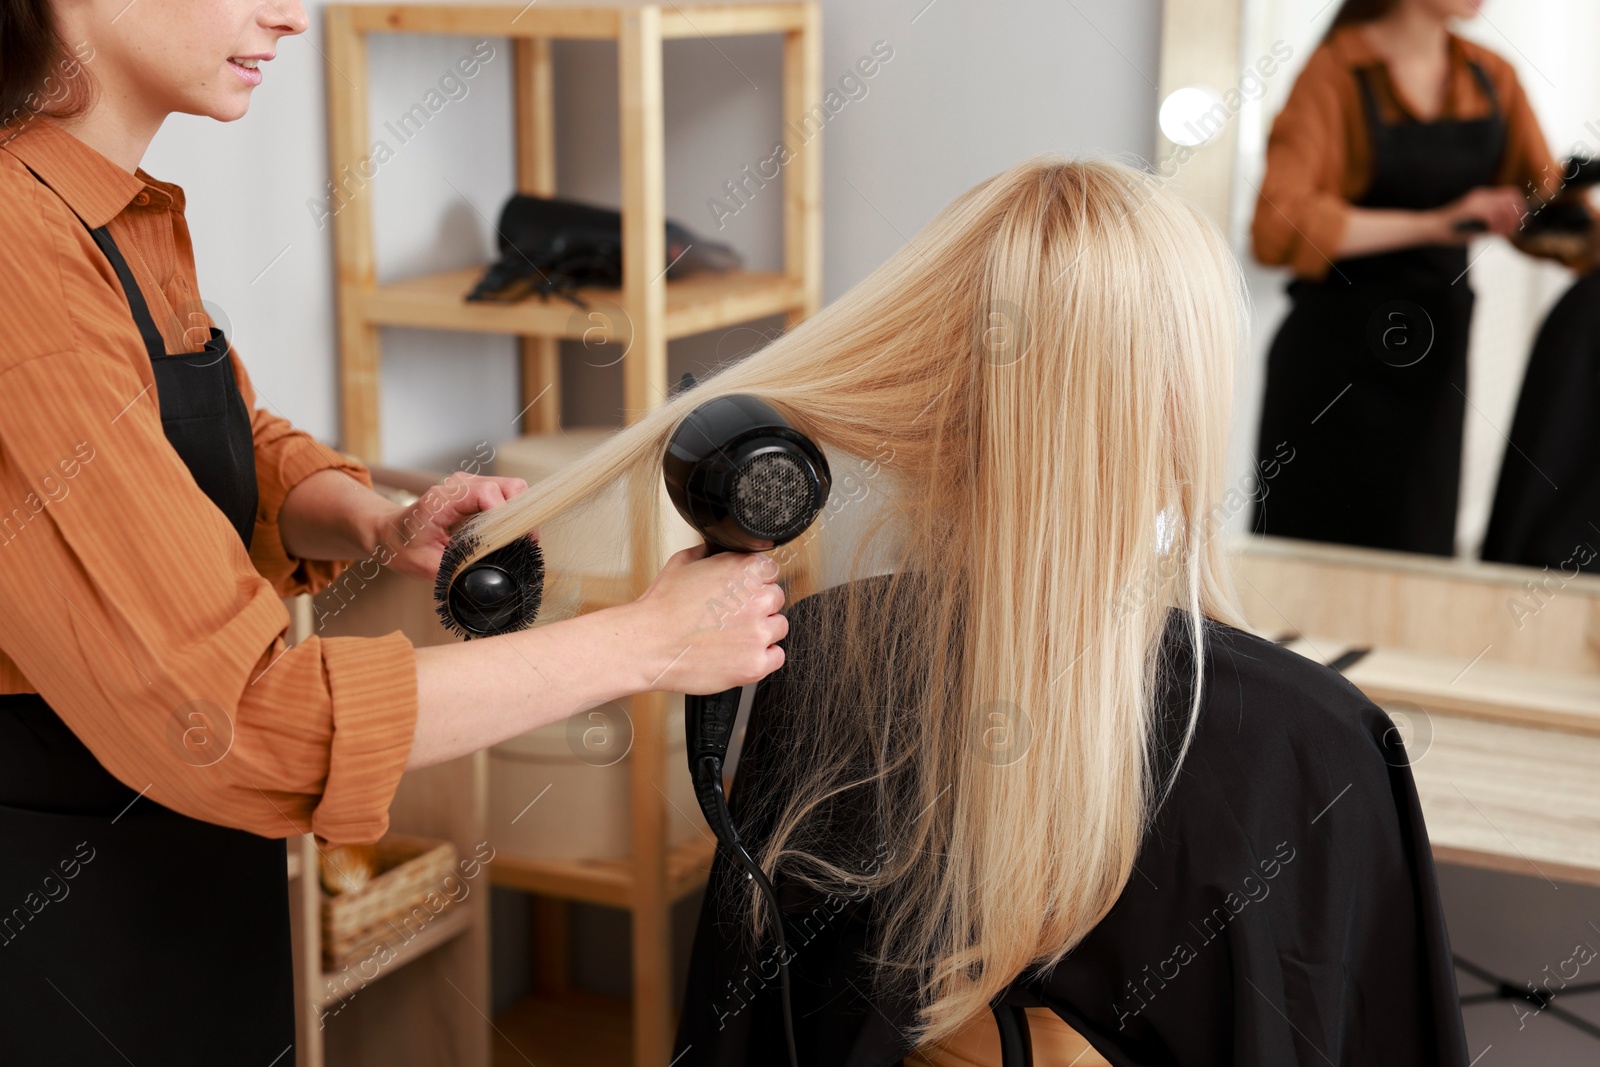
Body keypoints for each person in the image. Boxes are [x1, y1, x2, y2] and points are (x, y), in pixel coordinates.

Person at [463, 158, 1469, 1065]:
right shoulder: (1318, 744)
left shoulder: (817, 654)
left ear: (931, 395)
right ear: (1183, 408)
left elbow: (753, 1028)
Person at [0, 0, 787, 1061]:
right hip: (63, 922)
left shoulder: (112, 212)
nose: (289, 17)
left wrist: (376, 516)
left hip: (180, 881)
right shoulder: (18, 252)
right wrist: (644, 642)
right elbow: (244, 719)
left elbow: (194, 444)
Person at [1249, 0, 1564, 556]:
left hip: (1433, 354)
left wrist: (1552, 218)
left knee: (1416, 538)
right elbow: (1277, 226)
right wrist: (1436, 224)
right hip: (1336, 358)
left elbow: (1549, 207)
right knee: (1310, 546)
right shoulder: (1335, 70)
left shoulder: (1492, 78)